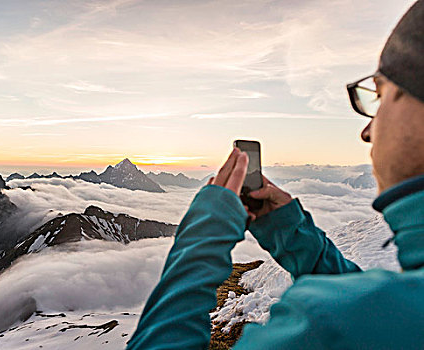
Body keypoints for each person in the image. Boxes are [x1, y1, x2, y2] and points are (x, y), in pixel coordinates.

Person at [126, 1, 424, 349]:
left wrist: (200, 243)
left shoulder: (327, 326)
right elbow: (384, 318)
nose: (367, 130)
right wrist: (290, 232)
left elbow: (361, 319)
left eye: (379, 94)